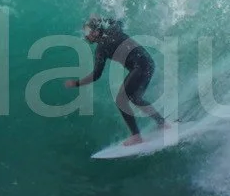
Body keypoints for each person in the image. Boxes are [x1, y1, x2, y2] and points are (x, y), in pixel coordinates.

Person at [65, 15, 168, 145]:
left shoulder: (101, 49)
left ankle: (137, 136)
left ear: (96, 32)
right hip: (149, 63)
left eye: (87, 32)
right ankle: (162, 123)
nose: (86, 36)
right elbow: (118, 20)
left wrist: (76, 83)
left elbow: (96, 75)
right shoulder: (114, 28)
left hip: (140, 67)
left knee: (121, 100)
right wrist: (100, 19)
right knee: (135, 98)